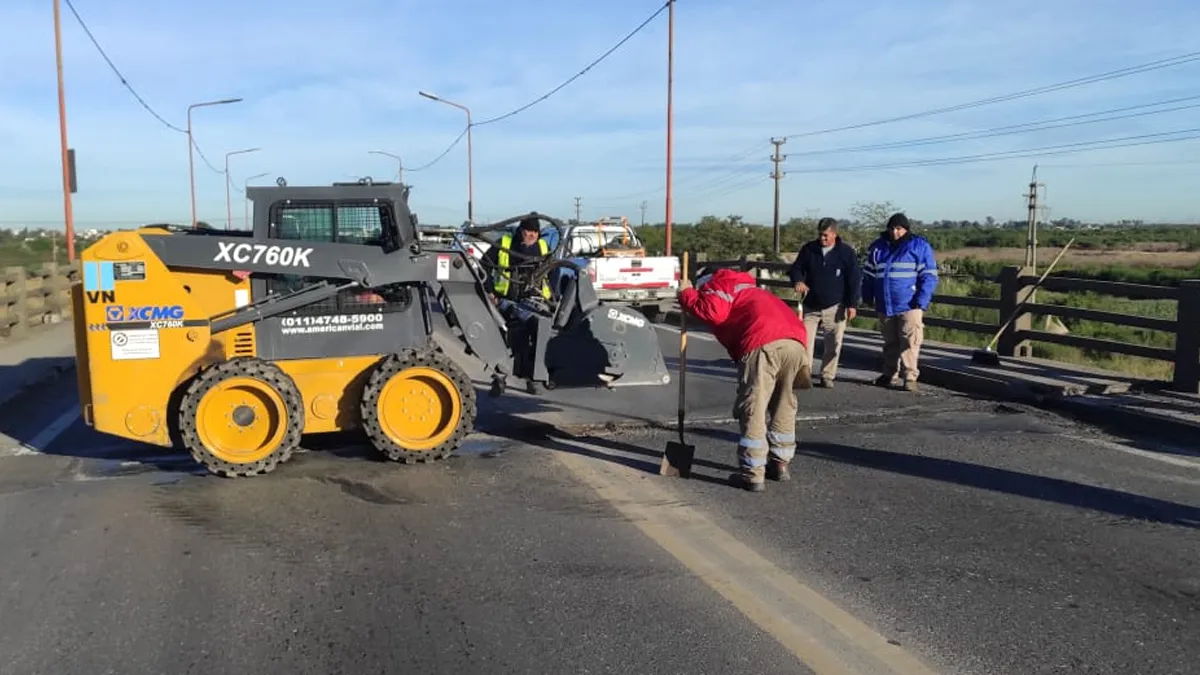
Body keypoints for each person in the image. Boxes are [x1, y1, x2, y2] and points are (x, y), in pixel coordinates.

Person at [678, 266, 811, 492]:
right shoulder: (749, 287)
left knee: (753, 406)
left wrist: (687, 294)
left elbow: (713, 311)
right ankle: (780, 463)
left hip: (763, 341)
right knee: (784, 403)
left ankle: (753, 473)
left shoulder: (717, 284)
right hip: (795, 342)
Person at [861, 212, 939, 392]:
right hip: (885, 304)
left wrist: (922, 299)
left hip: (910, 303)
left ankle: (910, 376)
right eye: (892, 228)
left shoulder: (919, 247)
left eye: (899, 229)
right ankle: (889, 374)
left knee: (910, 341)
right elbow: (869, 275)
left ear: (906, 229)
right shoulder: (878, 248)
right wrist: (867, 295)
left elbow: (929, 276)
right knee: (890, 341)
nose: (895, 232)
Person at [787, 217, 861, 388]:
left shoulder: (846, 253)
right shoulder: (809, 249)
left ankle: (827, 375)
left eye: (826, 235)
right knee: (805, 342)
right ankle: (804, 373)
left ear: (834, 234)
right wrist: (798, 280)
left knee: (833, 343)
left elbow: (854, 280)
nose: (822, 239)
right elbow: (796, 268)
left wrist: (852, 304)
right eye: (820, 235)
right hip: (811, 304)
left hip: (835, 305)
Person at [481, 216, 553, 302]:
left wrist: (552, 295)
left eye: (535, 231)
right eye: (529, 230)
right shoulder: (504, 244)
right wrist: (490, 292)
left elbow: (554, 270)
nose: (532, 235)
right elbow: (483, 266)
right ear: (521, 230)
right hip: (505, 302)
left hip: (537, 303)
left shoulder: (543, 247)